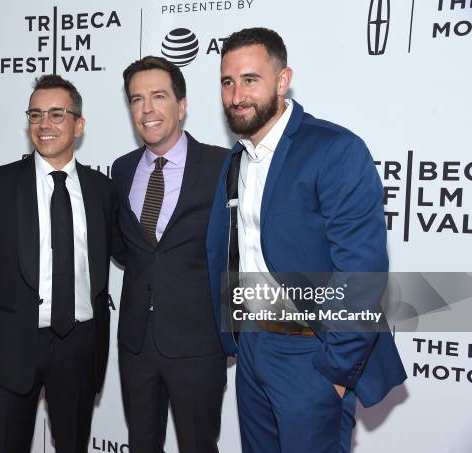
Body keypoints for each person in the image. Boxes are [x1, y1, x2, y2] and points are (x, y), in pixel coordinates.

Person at [206, 28, 407, 453]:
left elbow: (362, 273)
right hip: (252, 347)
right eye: (228, 82)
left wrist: (335, 372)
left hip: (310, 352)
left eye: (250, 79)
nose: (237, 94)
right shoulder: (235, 161)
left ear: (282, 80)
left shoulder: (334, 150)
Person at [0, 75, 115, 453]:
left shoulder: (102, 189)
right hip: (12, 347)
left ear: (79, 125)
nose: (44, 124)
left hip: (80, 347)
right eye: (36, 114)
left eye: (57, 114)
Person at [111, 56, 228, 453]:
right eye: (136, 99)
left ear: (181, 105)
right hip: (136, 343)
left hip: (198, 344)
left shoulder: (221, 165)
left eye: (158, 96)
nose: (146, 109)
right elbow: (132, 251)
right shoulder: (121, 169)